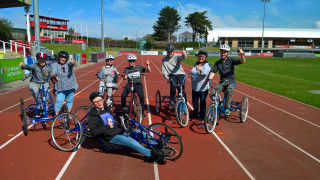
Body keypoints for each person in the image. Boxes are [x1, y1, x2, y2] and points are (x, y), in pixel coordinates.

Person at [87, 91, 166, 163]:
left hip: (120, 131)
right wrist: (107, 126)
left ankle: (157, 146)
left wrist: (120, 118)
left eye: (100, 100)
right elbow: (94, 133)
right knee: (131, 142)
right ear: (93, 103)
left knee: (139, 132)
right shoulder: (92, 116)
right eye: (96, 102)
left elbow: (115, 122)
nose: (99, 103)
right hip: (111, 137)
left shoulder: (107, 109)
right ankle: (153, 156)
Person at [207, 44, 245, 116]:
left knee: (229, 90)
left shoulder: (231, 60)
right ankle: (219, 102)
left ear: (227, 53)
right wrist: (209, 79)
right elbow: (213, 72)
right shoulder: (217, 63)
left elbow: (242, 61)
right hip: (222, 82)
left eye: (224, 52)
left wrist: (242, 54)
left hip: (231, 82)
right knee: (212, 93)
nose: (223, 53)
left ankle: (227, 107)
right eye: (221, 52)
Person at [121, 54, 150, 118]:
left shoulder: (139, 67)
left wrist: (147, 65)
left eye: (133, 61)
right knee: (123, 95)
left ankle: (142, 112)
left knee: (142, 97)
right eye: (130, 61)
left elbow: (148, 71)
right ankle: (123, 107)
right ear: (128, 61)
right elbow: (125, 78)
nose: (131, 62)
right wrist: (124, 76)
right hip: (130, 83)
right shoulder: (126, 69)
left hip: (138, 84)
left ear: (135, 61)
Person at [51, 51, 78, 115]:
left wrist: (73, 62)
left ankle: (68, 114)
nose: (63, 59)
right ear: (58, 57)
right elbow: (53, 72)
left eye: (65, 58)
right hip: (60, 86)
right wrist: (53, 75)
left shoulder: (68, 63)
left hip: (71, 85)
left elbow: (74, 64)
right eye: (61, 57)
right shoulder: (54, 65)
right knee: (59, 101)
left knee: (69, 100)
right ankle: (56, 116)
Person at [161, 44, 187, 109]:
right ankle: (172, 101)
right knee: (173, 86)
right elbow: (164, 70)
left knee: (181, 89)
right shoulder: (164, 60)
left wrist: (184, 54)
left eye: (171, 51)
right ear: (166, 52)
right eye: (168, 51)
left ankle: (184, 104)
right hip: (172, 74)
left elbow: (182, 58)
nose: (169, 53)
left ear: (173, 51)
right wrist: (167, 77)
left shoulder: (176, 56)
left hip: (180, 74)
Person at [190, 50, 211, 121]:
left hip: (203, 87)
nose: (201, 58)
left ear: (205, 58)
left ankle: (202, 116)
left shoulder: (207, 64)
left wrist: (200, 70)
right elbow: (193, 71)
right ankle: (195, 113)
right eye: (200, 56)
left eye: (203, 57)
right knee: (195, 101)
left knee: (202, 102)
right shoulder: (195, 63)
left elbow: (206, 72)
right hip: (195, 86)